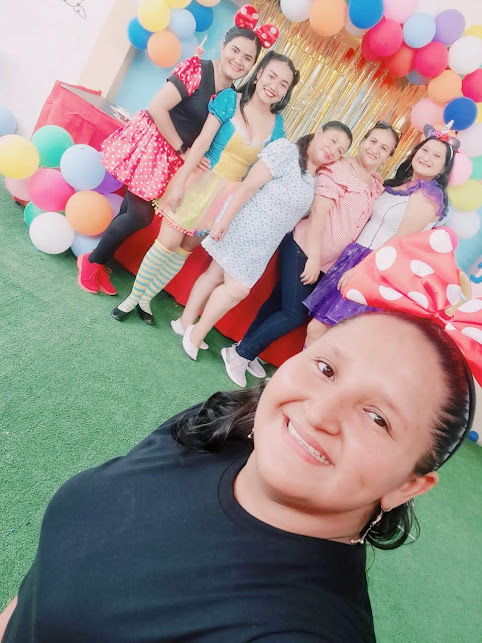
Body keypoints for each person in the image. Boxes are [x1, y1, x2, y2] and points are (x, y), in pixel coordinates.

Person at [1, 310, 476, 642]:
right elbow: (46, 583)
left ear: (408, 486)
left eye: (377, 418)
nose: (320, 413)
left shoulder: (297, 630)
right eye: (327, 368)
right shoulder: (218, 425)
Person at [76, 7, 264, 296]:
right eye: (235, 50)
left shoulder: (229, 95)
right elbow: (158, 107)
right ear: (223, 45)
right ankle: (91, 262)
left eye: (248, 58)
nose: (239, 60)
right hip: (154, 146)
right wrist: (182, 149)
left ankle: (99, 259)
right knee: (140, 216)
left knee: (129, 210)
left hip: (173, 158)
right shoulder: (197, 69)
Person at [111, 50, 298, 325]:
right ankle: (131, 299)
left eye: (283, 84)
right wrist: (180, 182)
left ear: (286, 92)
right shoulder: (229, 100)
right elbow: (201, 143)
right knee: (167, 244)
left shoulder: (278, 127)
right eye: (271, 76)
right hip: (200, 180)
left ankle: (146, 299)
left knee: (184, 249)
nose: (274, 86)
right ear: (259, 74)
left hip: (226, 198)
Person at [222, 121, 400, 387]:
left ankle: (247, 346)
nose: (375, 149)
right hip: (304, 248)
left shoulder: (376, 185)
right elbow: (318, 213)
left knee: (277, 302)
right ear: (364, 141)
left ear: (389, 157)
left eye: (384, 148)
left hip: (330, 262)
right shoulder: (339, 169)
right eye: (373, 141)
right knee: (294, 313)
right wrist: (314, 258)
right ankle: (240, 354)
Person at [176, 123, 352, 361]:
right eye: (332, 141)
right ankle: (195, 334)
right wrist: (224, 220)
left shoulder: (317, 178)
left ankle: (184, 323)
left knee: (216, 274)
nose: (333, 150)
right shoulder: (286, 152)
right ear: (319, 133)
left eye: (340, 150)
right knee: (237, 288)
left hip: (265, 242)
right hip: (245, 223)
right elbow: (249, 186)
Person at [304, 124, 457, 345]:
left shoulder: (428, 195)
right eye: (424, 150)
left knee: (327, 333)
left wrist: (362, 270)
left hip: (378, 268)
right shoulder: (397, 185)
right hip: (354, 257)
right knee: (322, 331)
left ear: (443, 168)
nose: (427, 157)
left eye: (436, 156)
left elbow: (399, 242)